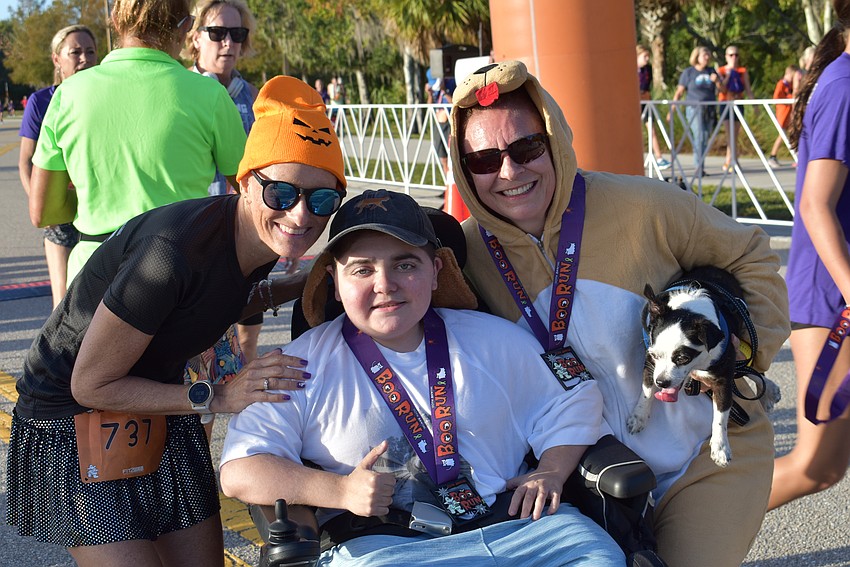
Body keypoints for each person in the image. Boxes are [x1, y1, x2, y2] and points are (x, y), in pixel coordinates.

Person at [448, 60, 790, 567]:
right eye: (483, 159)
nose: (509, 172)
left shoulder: (642, 204)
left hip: (706, 454)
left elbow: (752, 257)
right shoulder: (467, 254)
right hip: (592, 470)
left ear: (554, 140)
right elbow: (388, 299)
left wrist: (736, 356)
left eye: (527, 148)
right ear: (461, 167)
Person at [5, 75, 347, 566]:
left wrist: (301, 283)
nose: (300, 215)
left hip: (158, 401)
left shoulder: (261, 240)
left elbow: (209, 300)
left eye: (320, 200)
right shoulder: (172, 253)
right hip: (74, 415)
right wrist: (221, 396)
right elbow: (91, 384)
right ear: (246, 183)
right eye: (282, 194)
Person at [219, 189, 624, 567]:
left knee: (601, 555)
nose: (385, 284)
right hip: (387, 545)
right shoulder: (297, 365)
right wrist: (338, 492)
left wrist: (551, 470)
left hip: (521, 529)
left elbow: (576, 395)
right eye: (362, 269)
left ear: (436, 271)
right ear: (334, 282)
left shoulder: (494, 338)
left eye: (405, 264)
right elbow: (241, 469)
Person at [28, 0, 247, 284]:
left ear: (116, 22)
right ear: (186, 27)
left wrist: (96, 197)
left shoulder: (68, 94)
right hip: (180, 270)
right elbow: (253, 191)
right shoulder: (210, 94)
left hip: (93, 273)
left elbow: (43, 210)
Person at [770, 0, 850, 510]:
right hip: (831, 298)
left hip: (831, 290)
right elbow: (815, 205)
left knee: (825, 467)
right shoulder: (845, 87)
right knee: (814, 466)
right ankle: (672, 536)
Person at [183, 0, 263, 362]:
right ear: (195, 37)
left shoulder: (254, 96)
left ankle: (244, 418)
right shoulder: (181, 89)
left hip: (246, 230)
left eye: (237, 33)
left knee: (246, 342)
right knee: (201, 354)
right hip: (197, 231)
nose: (228, 42)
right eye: (217, 33)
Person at [18, 25, 97, 308]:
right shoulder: (41, 102)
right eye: (75, 52)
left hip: (97, 209)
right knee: (63, 304)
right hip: (60, 213)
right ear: (56, 59)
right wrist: (39, 205)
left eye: (90, 52)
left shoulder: (102, 97)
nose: (84, 58)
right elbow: (26, 160)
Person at [671, 46, 725, 176]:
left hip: (709, 109)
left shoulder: (712, 71)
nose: (707, 58)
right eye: (704, 55)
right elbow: (679, 92)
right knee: (699, 136)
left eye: (708, 55)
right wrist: (672, 110)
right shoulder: (689, 72)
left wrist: (717, 81)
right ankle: (698, 168)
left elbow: (723, 90)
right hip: (694, 109)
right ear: (697, 57)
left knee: (705, 138)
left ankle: (700, 166)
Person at [717, 45, 756, 173]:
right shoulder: (721, 70)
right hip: (725, 103)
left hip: (738, 103)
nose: (734, 57)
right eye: (731, 55)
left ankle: (732, 160)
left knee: (735, 133)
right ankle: (731, 160)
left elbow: (748, 89)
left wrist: (754, 105)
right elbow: (721, 88)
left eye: (736, 55)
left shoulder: (742, 71)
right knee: (729, 134)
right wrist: (728, 75)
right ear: (726, 57)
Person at [637, 45, 670, 171]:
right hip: (635, 105)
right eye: (644, 56)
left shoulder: (647, 70)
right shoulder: (629, 69)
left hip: (646, 102)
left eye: (648, 56)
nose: (647, 59)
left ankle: (659, 157)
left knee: (651, 129)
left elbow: (647, 87)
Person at [767, 65, 799, 169]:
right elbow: (776, 97)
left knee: (791, 134)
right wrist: (788, 98)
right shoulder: (781, 84)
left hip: (788, 115)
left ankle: (797, 155)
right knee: (782, 135)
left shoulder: (790, 85)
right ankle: (772, 156)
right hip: (782, 114)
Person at [427, 76, 454, 175]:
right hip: (438, 123)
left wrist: (444, 91)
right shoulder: (435, 88)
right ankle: (447, 183)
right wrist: (430, 94)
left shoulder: (452, 83)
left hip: (449, 123)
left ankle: (453, 184)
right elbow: (429, 106)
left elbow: (454, 102)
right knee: (442, 157)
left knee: (452, 156)